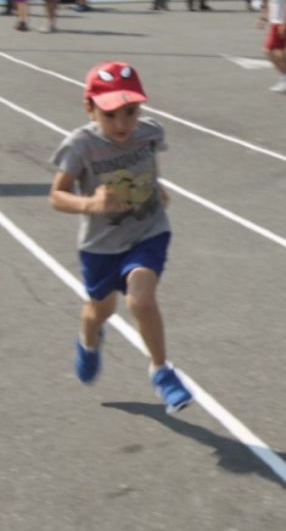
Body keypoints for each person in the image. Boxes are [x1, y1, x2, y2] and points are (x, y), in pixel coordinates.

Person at [48, 61, 193, 414]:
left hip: (148, 230)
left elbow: (147, 163)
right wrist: (90, 203)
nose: (122, 123)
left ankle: (161, 370)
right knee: (100, 310)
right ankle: (88, 340)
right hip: (100, 245)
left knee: (140, 299)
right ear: (90, 109)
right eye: (110, 114)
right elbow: (57, 196)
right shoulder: (80, 146)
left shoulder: (150, 132)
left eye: (130, 112)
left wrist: (155, 186)